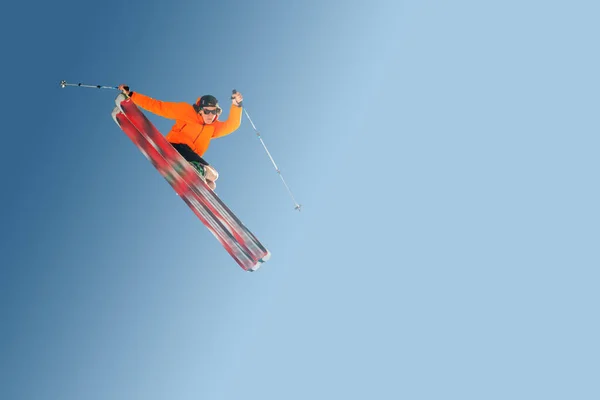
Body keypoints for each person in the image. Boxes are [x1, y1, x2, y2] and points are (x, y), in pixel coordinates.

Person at [118, 84, 244, 190]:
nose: (210, 115)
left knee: (212, 183)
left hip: (191, 156)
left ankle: (196, 180)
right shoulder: (186, 111)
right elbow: (158, 106)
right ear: (200, 110)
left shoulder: (213, 127)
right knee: (213, 175)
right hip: (176, 146)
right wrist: (132, 95)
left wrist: (236, 105)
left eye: (214, 111)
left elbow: (232, 125)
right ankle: (193, 169)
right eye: (207, 111)